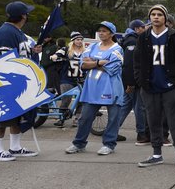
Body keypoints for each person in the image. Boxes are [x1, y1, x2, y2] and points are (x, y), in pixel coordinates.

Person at [133, 4, 175, 169]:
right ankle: (156, 154)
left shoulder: (174, 37)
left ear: (165, 18)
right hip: (150, 88)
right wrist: (141, 81)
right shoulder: (143, 38)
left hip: (170, 87)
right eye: (153, 14)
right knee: (153, 121)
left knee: (174, 122)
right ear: (149, 18)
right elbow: (137, 62)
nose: (156, 17)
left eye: (159, 14)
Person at [0, 1, 38, 161]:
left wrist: (33, 51)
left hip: (18, 84)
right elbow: (3, 62)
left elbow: (20, 55)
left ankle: (15, 147)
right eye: (27, 13)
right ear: (23, 16)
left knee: (18, 116)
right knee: (2, 116)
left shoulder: (17, 32)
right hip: (5, 84)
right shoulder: (5, 33)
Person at [64, 22, 125, 155]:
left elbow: (112, 67)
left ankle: (109, 144)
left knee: (113, 118)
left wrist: (91, 62)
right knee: (85, 118)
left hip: (111, 87)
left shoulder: (117, 49)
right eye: (100, 31)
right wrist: (99, 62)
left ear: (111, 33)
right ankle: (79, 143)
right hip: (92, 88)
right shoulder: (92, 46)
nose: (101, 33)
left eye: (104, 31)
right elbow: (83, 64)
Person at [117, 19, 149, 145]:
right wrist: (130, 83)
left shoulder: (131, 40)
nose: (145, 28)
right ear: (137, 29)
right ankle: (141, 134)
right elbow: (129, 64)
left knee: (126, 106)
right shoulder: (132, 41)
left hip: (131, 80)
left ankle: (112, 131)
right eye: (143, 27)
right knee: (139, 107)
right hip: (133, 81)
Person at [50, 31, 86, 127]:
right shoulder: (66, 49)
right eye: (77, 40)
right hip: (67, 78)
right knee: (66, 99)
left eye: (81, 40)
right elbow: (57, 55)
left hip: (81, 79)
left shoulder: (85, 51)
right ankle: (61, 118)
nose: (79, 42)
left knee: (81, 100)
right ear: (73, 41)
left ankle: (77, 119)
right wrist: (54, 57)